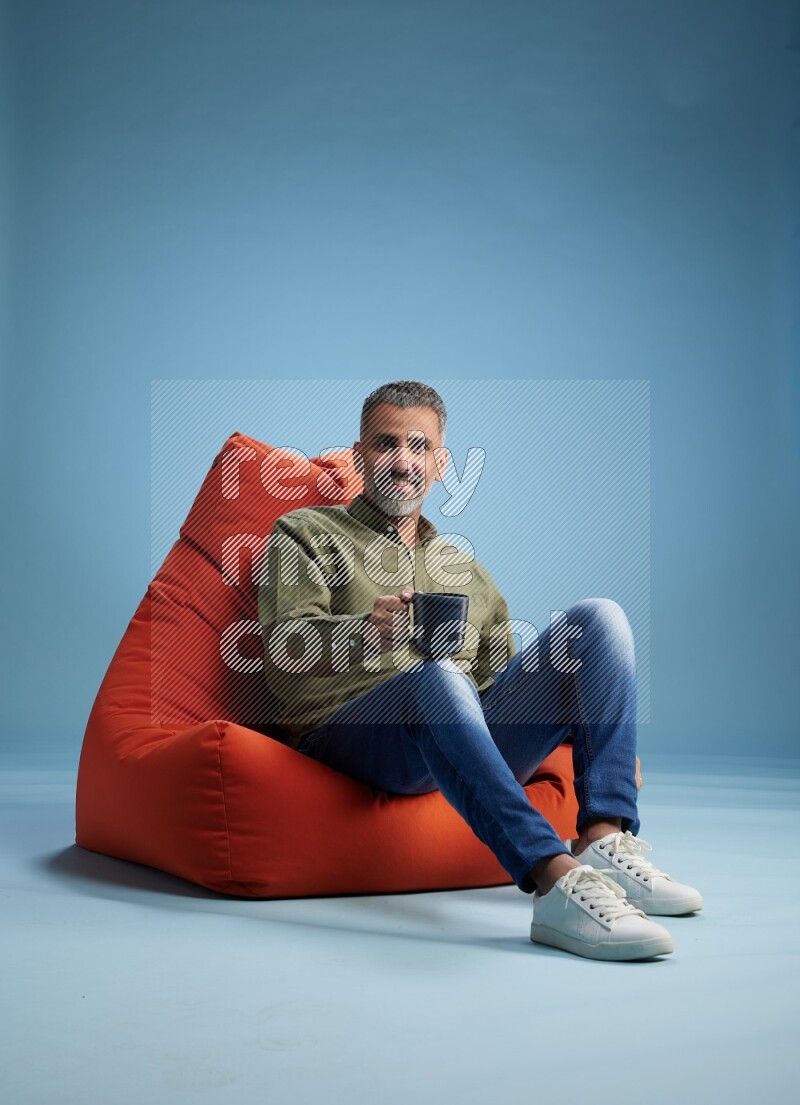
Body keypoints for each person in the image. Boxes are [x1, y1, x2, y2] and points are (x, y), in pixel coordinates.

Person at [257, 380, 702, 961]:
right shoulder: (306, 533)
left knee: (600, 620)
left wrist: (590, 726)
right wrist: (365, 634)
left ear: (441, 464)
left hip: (454, 740)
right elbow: (282, 663)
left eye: (419, 447)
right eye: (385, 444)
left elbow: (498, 691)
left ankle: (603, 838)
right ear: (360, 454)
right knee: (439, 678)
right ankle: (557, 881)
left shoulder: (463, 567)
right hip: (353, 736)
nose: (402, 460)